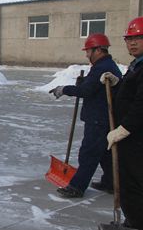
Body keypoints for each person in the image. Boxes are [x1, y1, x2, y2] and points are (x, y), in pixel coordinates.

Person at [49, 34, 122, 198]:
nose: (87, 55)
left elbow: (86, 91)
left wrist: (64, 89)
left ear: (98, 50)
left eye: (88, 51)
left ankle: (77, 187)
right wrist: (85, 81)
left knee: (89, 152)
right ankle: (110, 182)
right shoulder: (105, 65)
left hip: (99, 119)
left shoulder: (102, 67)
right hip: (103, 117)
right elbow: (93, 86)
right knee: (104, 152)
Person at [102, 16, 143, 230]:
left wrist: (124, 129)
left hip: (140, 139)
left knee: (130, 187)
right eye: (129, 38)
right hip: (134, 138)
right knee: (137, 184)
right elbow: (131, 94)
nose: (132, 43)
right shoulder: (139, 65)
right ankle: (138, 224)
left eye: (139, 37)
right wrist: (116, 83)